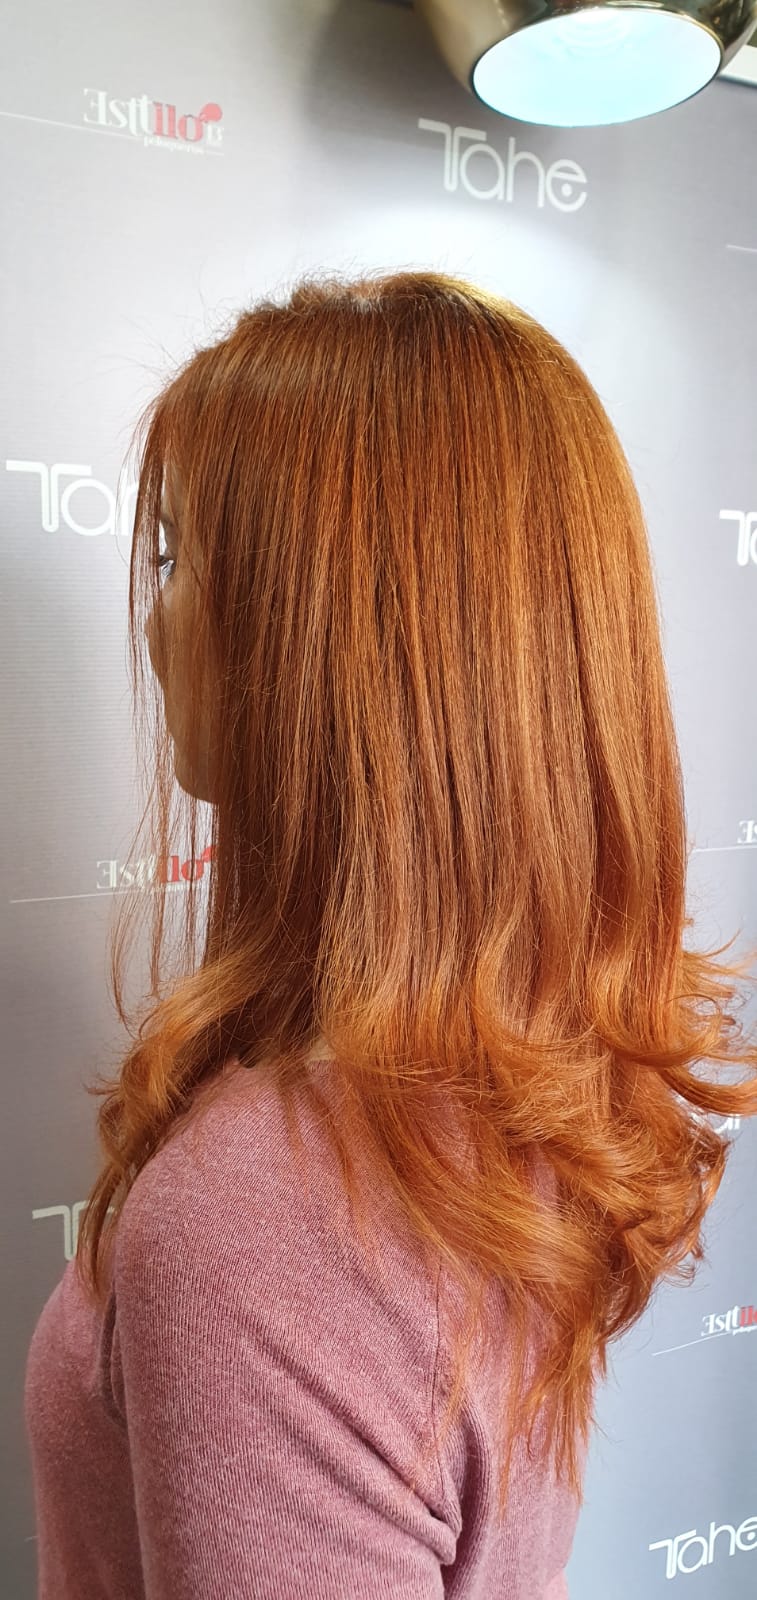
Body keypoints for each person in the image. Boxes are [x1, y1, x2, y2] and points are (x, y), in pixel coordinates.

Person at [24, 269, 757, 1599]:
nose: (155, 610)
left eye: (183, 556)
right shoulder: (503, 1086)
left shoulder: (266, 1217)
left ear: (322, 642)